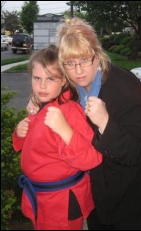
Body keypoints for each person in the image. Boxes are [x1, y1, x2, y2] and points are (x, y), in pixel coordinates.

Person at [27, 17, 141, 230]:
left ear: (97, 54)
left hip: (127, 200)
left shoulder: (124, 87)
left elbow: (137, 151)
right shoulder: (74, 87)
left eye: (85, 60)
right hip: (95, 197)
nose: (79, 71)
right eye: (71, 63)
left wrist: (105, 123)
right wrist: (38, 100)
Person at [12, 44, 103, 230]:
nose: (42, 86)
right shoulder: (40, 105)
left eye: (51, 79)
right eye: (37, 78)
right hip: (40, 197)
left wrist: (64, 130)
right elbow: (34, 145)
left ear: (63, 81)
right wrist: (19, 132)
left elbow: (92, 159)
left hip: (62, 201)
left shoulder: (70, 112)